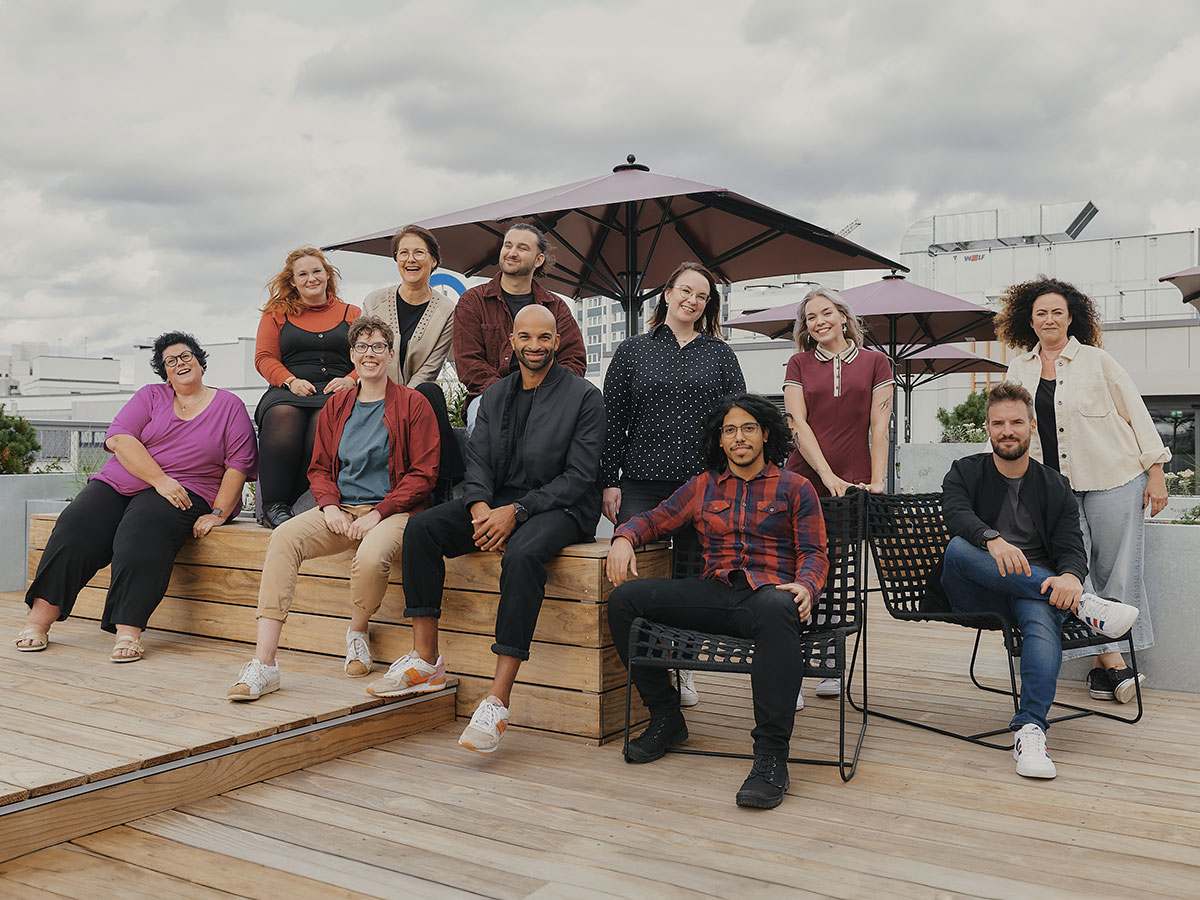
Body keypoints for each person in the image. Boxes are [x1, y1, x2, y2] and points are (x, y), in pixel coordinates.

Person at [369, 304, 604, 754]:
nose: (534, 345)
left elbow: (579, 477)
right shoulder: (496, 395)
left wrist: (517, 511)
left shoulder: (584, 397)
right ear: (511, 342)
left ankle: (497, 699)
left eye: (544, 337)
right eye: (525, 337)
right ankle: (426, 659)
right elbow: (476, 461)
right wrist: (479, 506)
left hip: (563, 507)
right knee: (422, 530)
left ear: (557, 342)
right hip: (497, 502)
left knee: (522, 554)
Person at [607, 393, 829, 810]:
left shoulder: (796, 488)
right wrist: (624, 537)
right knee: (624, 600)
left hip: (766, 598)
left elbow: (815, 552)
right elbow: (656, 519)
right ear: (720, 440)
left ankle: (771, 757)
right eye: (730, 430)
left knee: (778, 606)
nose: (739, 437)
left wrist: (806, 586)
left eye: (748, 428)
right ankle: (666, 717)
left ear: (765, 435)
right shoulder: (702, 486)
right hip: (713, 594)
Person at [227, 316, 439, 701]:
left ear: (391, 354)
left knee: (371, 557)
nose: (370, 354)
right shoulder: (338, 405)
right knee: (284, 538)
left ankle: (357, 631)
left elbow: (424, 474)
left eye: (378, 346)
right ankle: (264, 663)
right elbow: (320, 468)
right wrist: (328, 507)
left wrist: (378, 513)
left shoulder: (413, 403)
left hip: (395, 511)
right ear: (352, 355)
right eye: (362, 347)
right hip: (342, 508)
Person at [939, 382, 1141, 779]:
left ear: (1032, 425)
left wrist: (1071, 577)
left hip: (1037, 591)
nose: (1007, 431)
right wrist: (992, 540)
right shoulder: (965, 471)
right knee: (959, 549)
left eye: (1016, 422)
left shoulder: (1054, 484)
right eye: (999, 423)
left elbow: (1071, 544)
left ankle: (1030, 730)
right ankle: (1082, 605)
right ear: (987, 427)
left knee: (1042, 607)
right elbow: (956, 515)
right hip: (976, 591)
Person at [17, 332, 258, 661]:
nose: (179, 363)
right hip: (128, 479)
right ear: (165, 372)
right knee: (76, 524)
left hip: (189, 488)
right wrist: (160, 480)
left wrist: (218, 513)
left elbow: (238, 465)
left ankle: (128, 631)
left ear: (200, 362)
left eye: (185, 356)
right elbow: (120, 439)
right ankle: (38, 621)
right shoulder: (150, 396)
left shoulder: (229, 405)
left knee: (142, 529)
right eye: (170, 361)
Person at [997, 276, 1167, 704]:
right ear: (1029, 321)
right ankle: (1115, 663)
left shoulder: (1098, 361)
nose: (1049, 319)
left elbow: (1136, 413)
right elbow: (1006, 424)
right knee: (1075, 571)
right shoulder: (1018, 369)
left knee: (1117, 571)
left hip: (1115, 476)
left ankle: (1102, 667)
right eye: (1041, 313)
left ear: (1071, 317)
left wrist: (1157, 471)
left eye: (1057, 312)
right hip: (1054, 490)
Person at [601, 261, 745, 708]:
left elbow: (738, 420)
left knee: (692, 579)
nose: (692, 300)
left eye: (702, 296)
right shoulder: (632, 350)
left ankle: (682, 666)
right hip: (641, 480)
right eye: (686, 291)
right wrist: (609, 481)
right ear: (666, 293)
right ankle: (644, 670)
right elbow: (612, 421)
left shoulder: (720, 354)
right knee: (631, 575)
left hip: (703, 484)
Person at [782, 286, 892, 704]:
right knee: (797, 570)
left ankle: (830, 661)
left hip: (856, 481)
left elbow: (879, 426)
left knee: (838, 573)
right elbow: (797, 423)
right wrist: (826, 475)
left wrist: (877, 481)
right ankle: (791, 669)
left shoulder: (876, 362)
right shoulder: (798, 362)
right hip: (803, 478)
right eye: (811, 317)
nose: (819, 321)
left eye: (826, 313)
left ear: (843, 317)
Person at [254, 246, 361, 528]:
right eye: (302, 274)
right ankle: (273, 505)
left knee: (322, 423)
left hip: (336, 389)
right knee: (283, 416)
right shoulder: (275, 314)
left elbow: (366, 354)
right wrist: (290, 380)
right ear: (292, 281)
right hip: (288, 387)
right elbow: (264, 358)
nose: (311, 278)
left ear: (327, 275)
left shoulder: (352, 313)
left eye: (317, 272)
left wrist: (351, 379)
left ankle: (300, 502)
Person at [361, 224, 465, 502]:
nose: (410, 259)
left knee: (430, 392)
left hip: (416, 395)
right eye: (403, 253)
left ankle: (442, 484)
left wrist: (400, 400)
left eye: (419, 252)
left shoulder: (447, 310)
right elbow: (366, 356)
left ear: (434, 260)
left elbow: (431, 366)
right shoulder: (374, 301)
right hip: (375, 390)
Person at [452, 222, 586, 435]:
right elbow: (468, 362)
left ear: (538, 260)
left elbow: (574, 360)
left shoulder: (555, 307)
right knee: (485, 431)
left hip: (547, 397)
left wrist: (543, 391)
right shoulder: (472, 302)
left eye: (522, 248)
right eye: (508, 246)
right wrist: (509, 394)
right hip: (489, 395)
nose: (512, 253)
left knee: (578, 430)